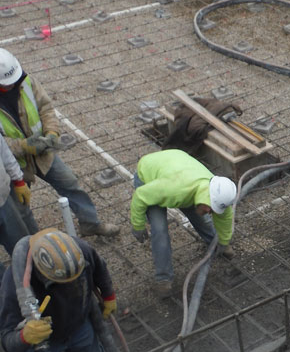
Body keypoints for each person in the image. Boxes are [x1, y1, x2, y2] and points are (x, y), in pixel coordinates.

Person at [0, 48, 119, 238]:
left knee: (70, 183)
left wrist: (52, 132)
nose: (12, 86)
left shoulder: (25, 82)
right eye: (7, 85)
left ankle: (90, 223)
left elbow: (46, 108)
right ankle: (36, 247)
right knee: (22, 210)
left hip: (42, 151)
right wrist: (23, 146)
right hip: (13, 165)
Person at [0, 229, 117, 352]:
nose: (69, 288)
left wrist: (109, 295)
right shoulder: (14, 284)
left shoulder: (82, 250)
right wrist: (24, 337)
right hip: (38, 341)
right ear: (41, 273)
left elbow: (100, 268)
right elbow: (6, 339)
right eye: (59, 284)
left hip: (78, 325)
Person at [130, 149, 238, 298]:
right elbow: (141, 196)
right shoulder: (174, 190)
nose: (210, 211)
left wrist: (224, 242)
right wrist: (138, 225)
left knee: (202, 218)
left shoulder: (218, 190)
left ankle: (216, 243)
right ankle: (163, 278)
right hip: (149, 176)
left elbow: (224, 218)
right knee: (160, 230)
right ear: (206, 198)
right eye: (210, 208)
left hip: (178, 166)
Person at [0, 137, 33, 264]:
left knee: (23, 248)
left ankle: (34, 278)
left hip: (4, 201)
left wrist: (18, 180)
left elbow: (3, 151)